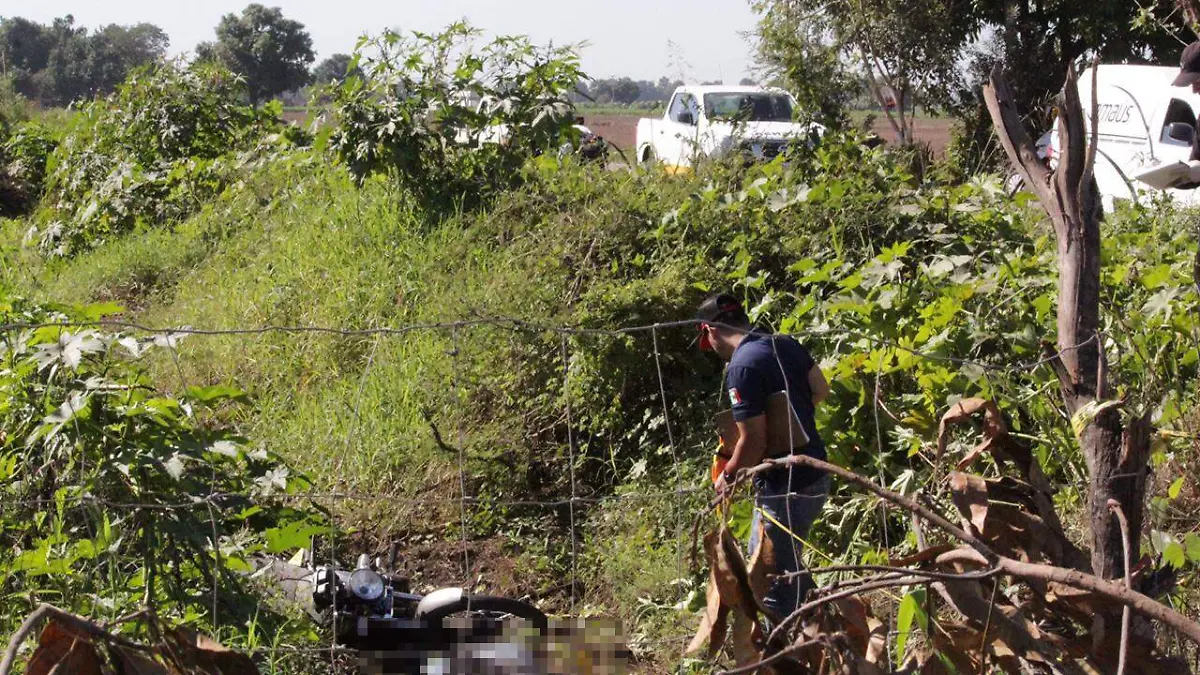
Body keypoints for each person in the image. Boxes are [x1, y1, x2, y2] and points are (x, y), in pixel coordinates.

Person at [695, 293, 831, 628]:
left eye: (707, 343)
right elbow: (820, 387)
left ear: (710, 331)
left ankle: (787, 654)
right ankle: (830, 630)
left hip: (784, 487)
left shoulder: (741, 367)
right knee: (788, 571)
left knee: (769, 585)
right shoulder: (783, 343)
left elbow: (753, 440)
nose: (713, 351)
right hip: (815, 473)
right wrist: (790, 424)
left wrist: (727, 477)